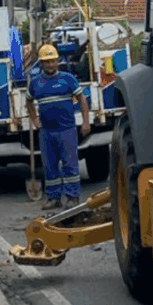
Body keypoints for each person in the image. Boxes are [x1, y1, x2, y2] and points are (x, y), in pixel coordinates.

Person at [27, 44, 90, 210]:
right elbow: (29, 101)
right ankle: (53, 198)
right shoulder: (35, 83)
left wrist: (85, 122)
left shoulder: (68, 79)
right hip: (47, 132)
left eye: (52, 61)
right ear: (41, 63)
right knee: (50, 166)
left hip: (66, 130)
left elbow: (82, 100)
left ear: (58, 61)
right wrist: (35, 120)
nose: (50, 65)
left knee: (70, 165)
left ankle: (72, 197)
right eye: (46, 62)